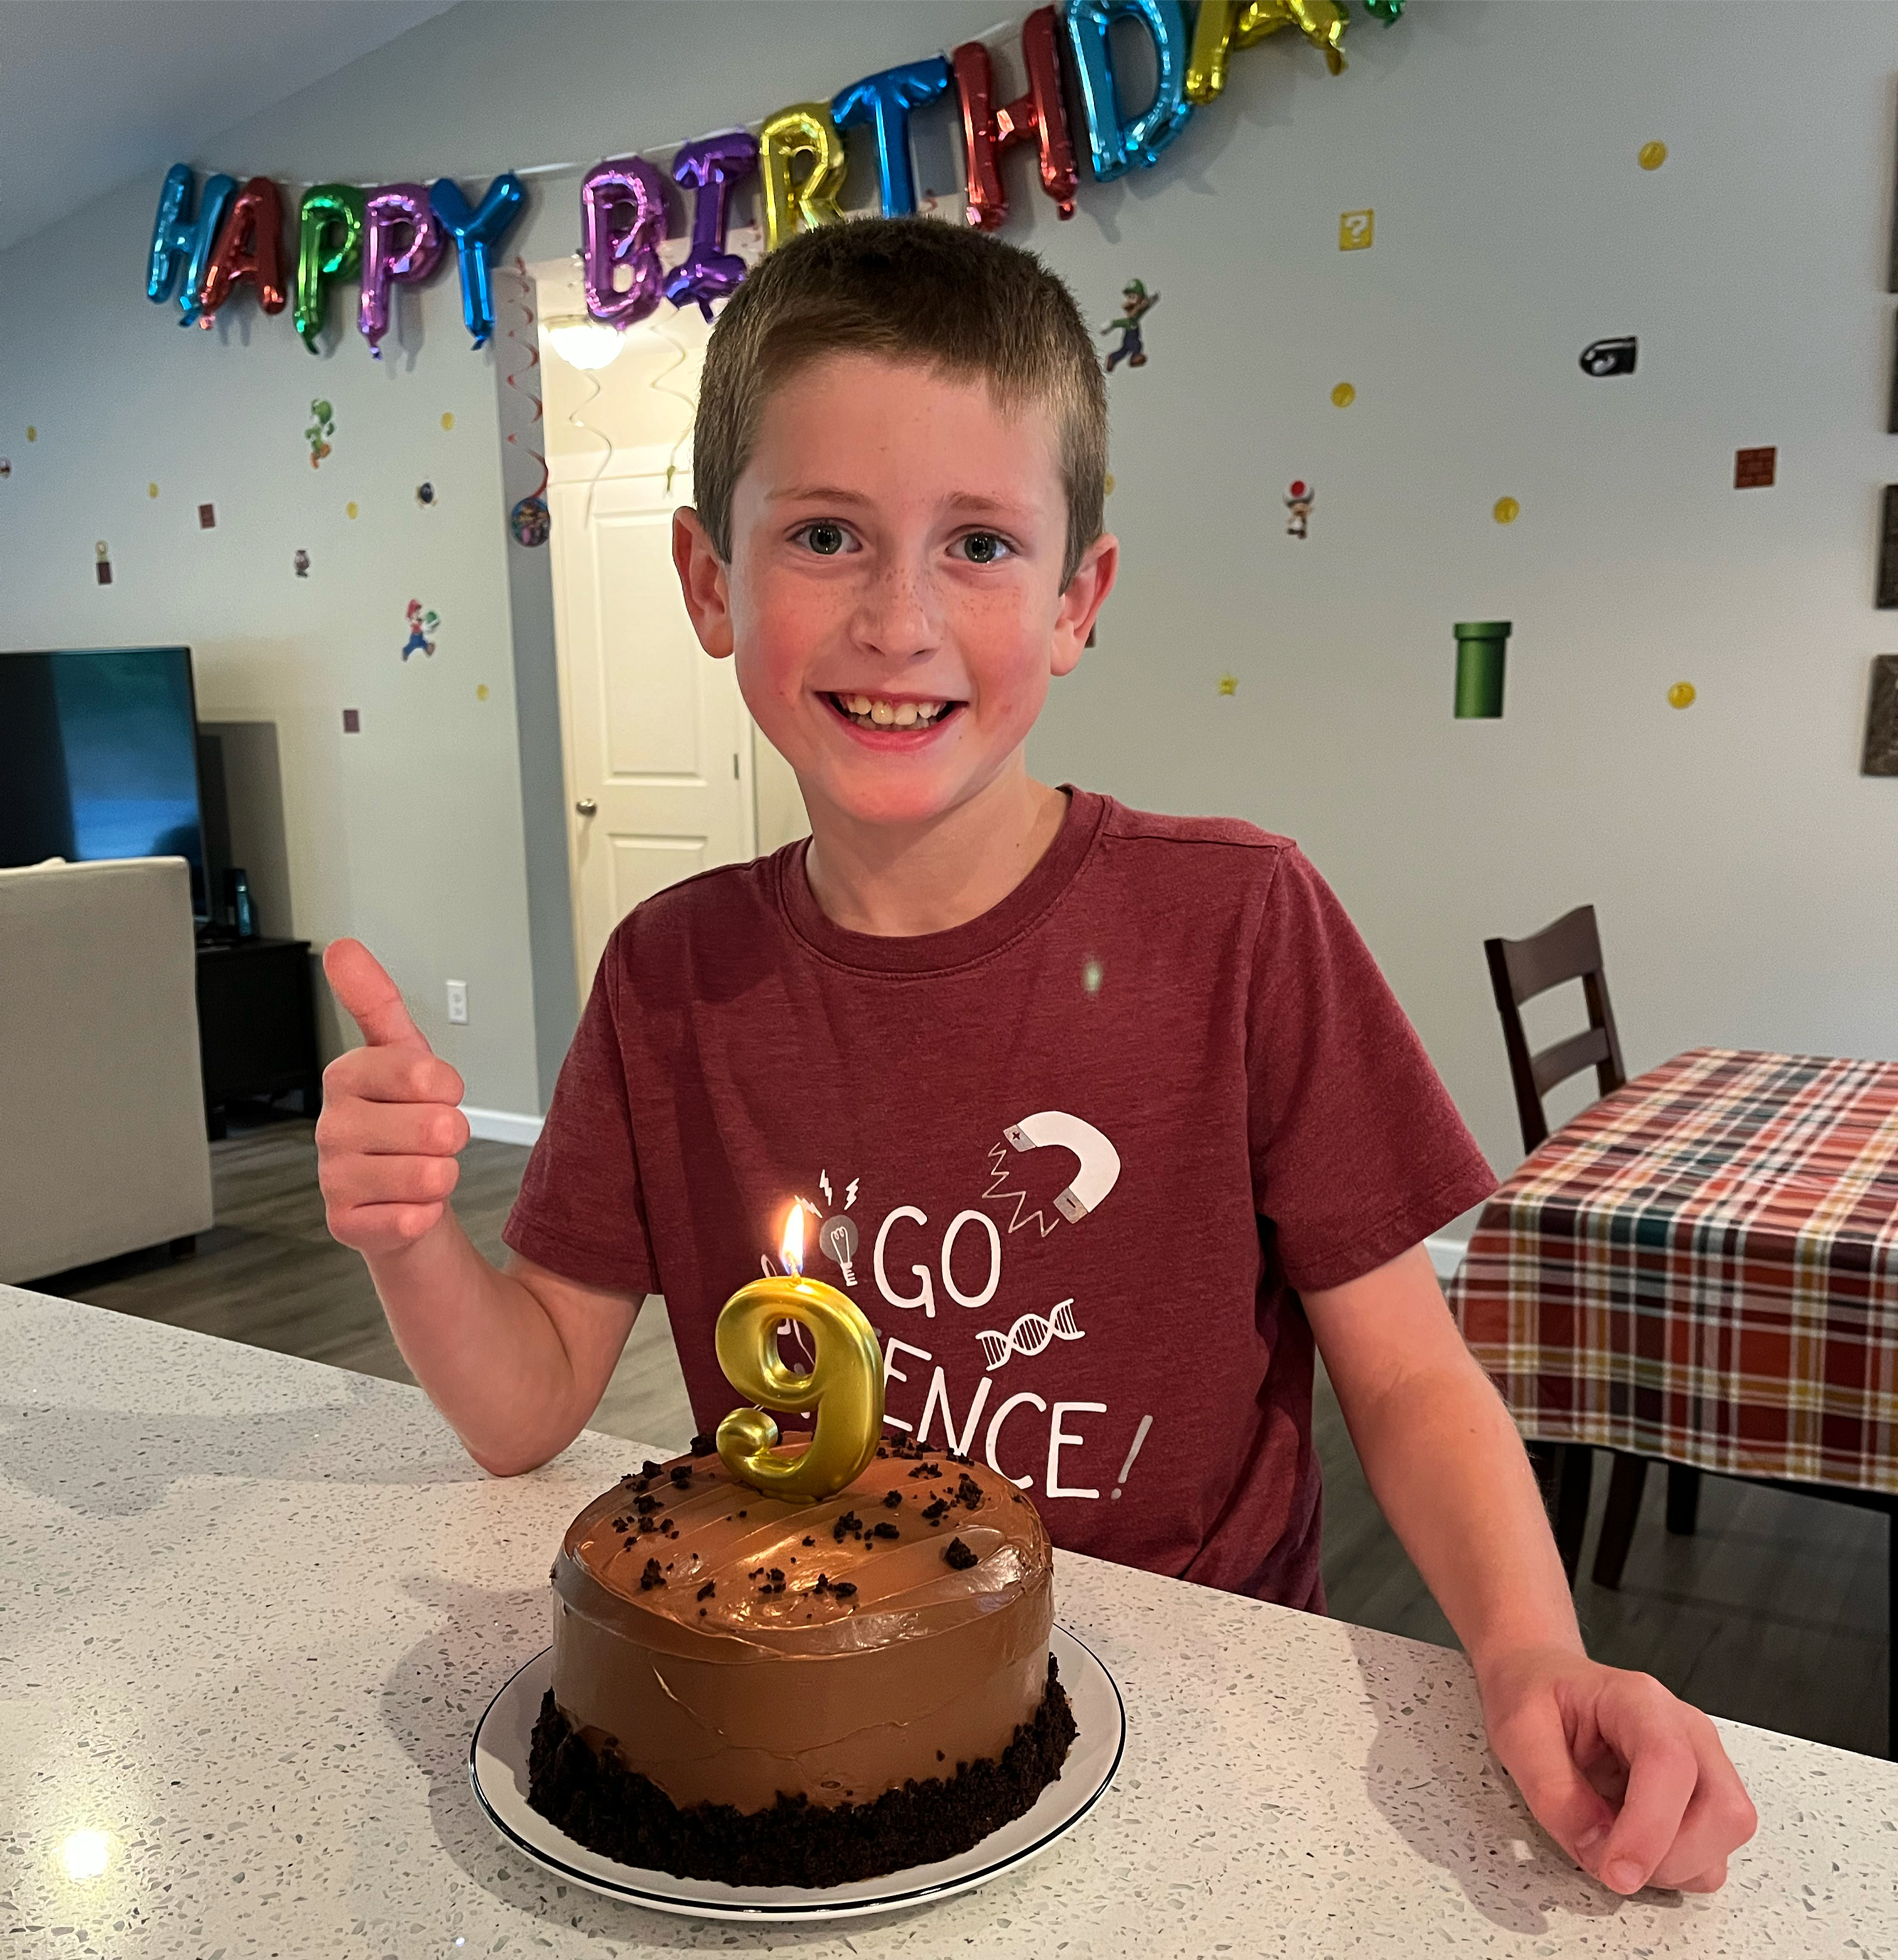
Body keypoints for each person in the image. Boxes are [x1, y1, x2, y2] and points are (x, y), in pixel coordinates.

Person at [316, 217, 1754, 1898]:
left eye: (981, 544)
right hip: (809, 1763)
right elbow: (528, 1405)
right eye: (827, 535)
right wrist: (409, 1239)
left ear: (1080, 600)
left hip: (1212, 1726)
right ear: (710, 583)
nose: (899, 619)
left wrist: (1529, 1651)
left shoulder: (1242, 923)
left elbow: (1411, 1378)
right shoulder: (668, 978)